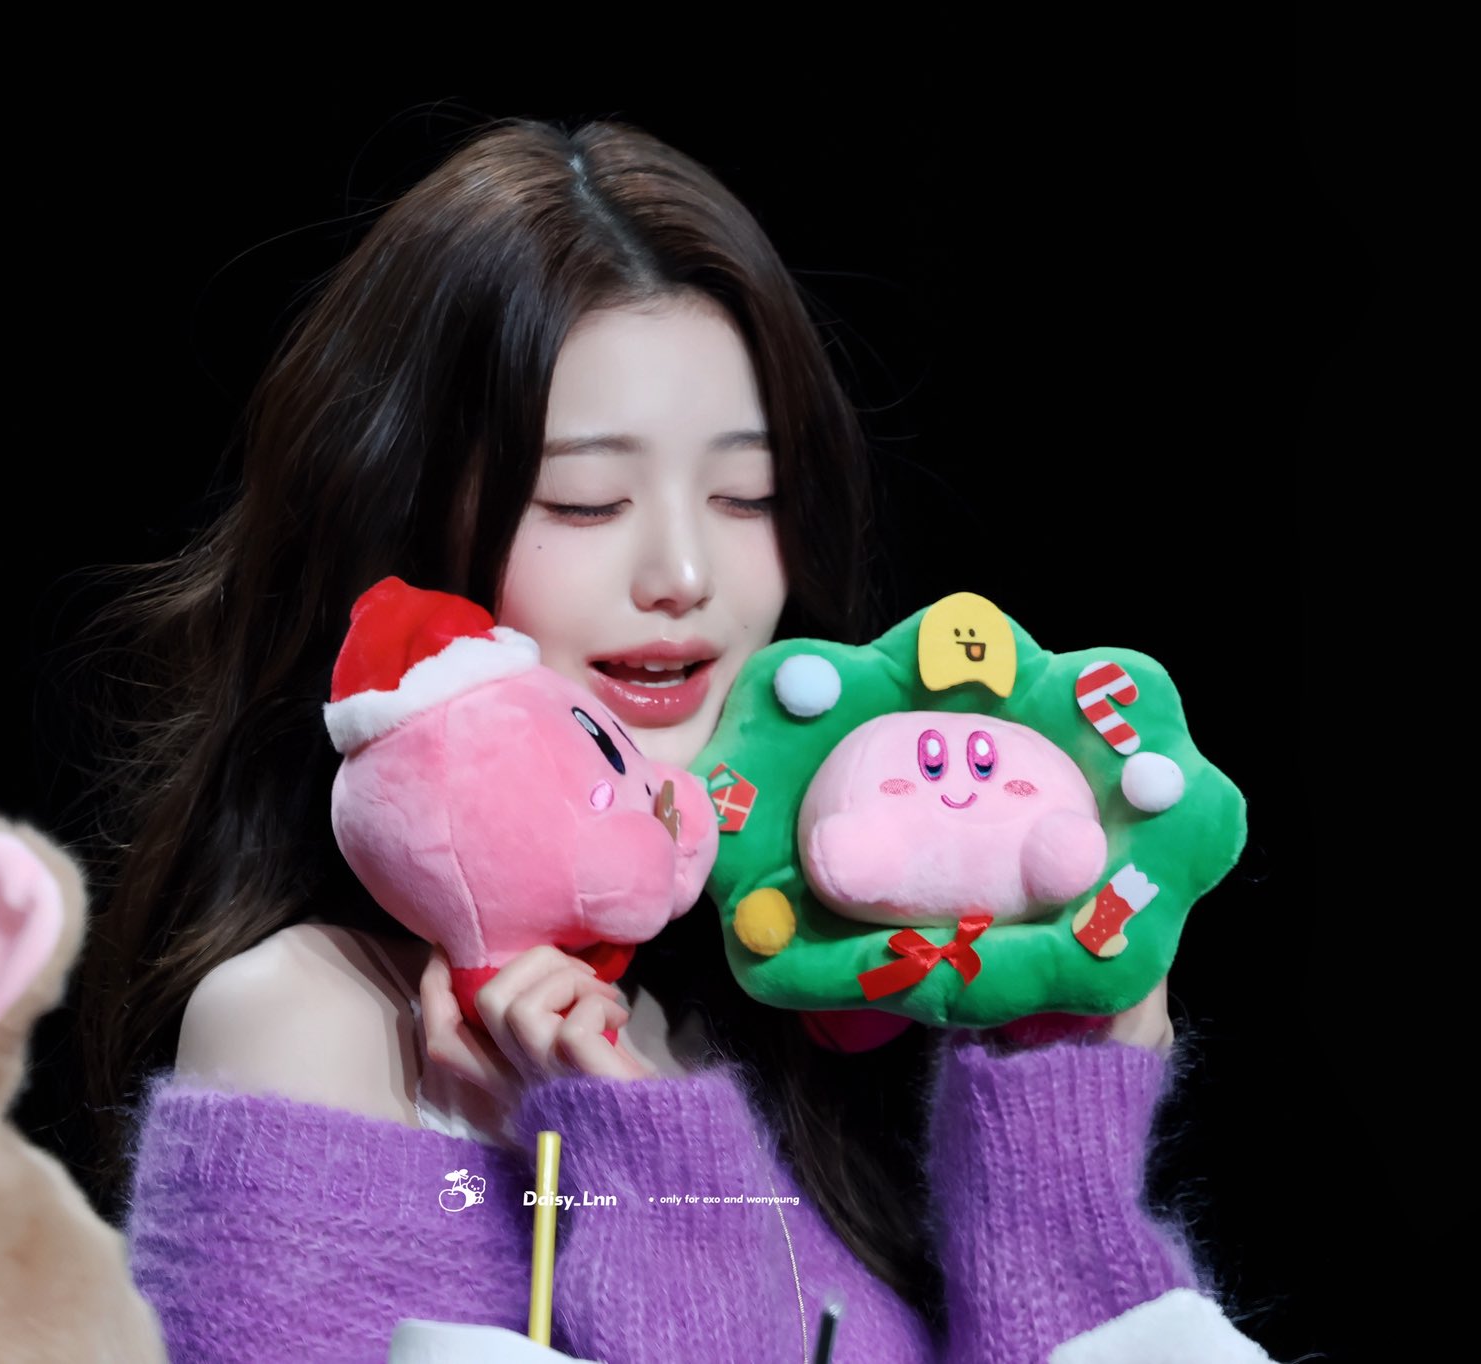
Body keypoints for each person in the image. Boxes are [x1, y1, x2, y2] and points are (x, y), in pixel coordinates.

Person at [75, 116, 1220, 1364]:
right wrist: (657, 1184)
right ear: (402, 528)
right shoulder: (311, 1026)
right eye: (585, 500)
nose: (683, 571)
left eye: (744, 495)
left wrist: (1054, 1136)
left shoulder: (803, 1021)